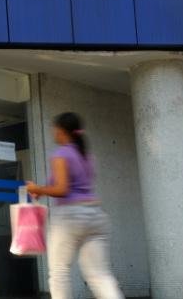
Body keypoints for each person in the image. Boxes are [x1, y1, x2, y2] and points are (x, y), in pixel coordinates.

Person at [26, 112, 123, 299]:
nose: (53, 132)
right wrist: (42, 190)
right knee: (99, 275)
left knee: (59, 272)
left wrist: (37, 188)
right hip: (96, 215)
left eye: (54, 129)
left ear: (62, 131)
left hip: (70, 217)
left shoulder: (61, 154)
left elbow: (62, 189)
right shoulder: (87, 156)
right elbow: (76, 185)